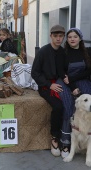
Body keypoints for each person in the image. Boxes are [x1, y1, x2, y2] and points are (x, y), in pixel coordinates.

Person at [31, 25, 66, 157]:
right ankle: (55, 138)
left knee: (70, 103)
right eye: (55, 36)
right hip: (46, 86)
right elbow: (35, 72)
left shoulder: (63, 52)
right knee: (58, 106)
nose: (58, 38)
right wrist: (48, 84)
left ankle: (67, 139)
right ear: (50, 36)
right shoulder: (43, 52)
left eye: (61, 36)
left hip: (60, 84)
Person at [56, 28, 91, 158]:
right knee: (69, 105)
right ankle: (65, 142)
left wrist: (74, 80)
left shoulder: (87, 52)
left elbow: (88, 71)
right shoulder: (62, 52)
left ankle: (87, 138)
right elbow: (61, 71)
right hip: (64, 81)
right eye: (69, 37)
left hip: (80, 79)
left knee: (88, 103)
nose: (72, 39)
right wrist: (72, 87)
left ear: (80, 38)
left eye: (75, 36)